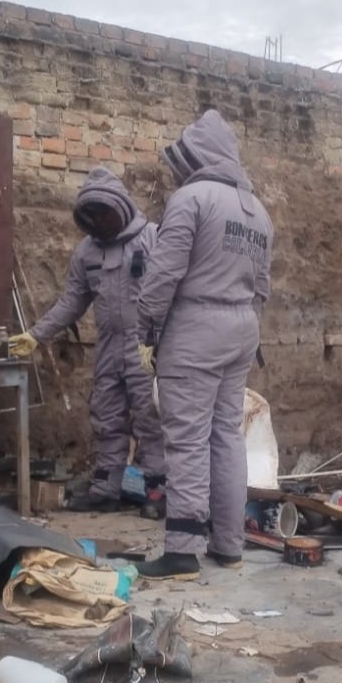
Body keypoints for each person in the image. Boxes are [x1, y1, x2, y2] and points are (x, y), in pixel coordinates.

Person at [134, 110, 273, 581]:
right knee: (226, 435)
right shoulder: (257, 211)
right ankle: (229, 546)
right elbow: (263, 286)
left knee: (187, 439)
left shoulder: (190, 199)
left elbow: (163, 274)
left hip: (195, 328)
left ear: (197, 156)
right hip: (242, 329)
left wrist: (147, 329)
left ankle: (182, 551)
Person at [9, 166, 168, 513]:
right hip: (108, 345)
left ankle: (159, 491)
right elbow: (72, 302)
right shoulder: (87, 252)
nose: (100, 221)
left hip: (145, 345)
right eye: (93, 215)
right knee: (106, 415)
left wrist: (162, 340)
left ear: (121, 207)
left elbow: (172, 290)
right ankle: (106, 489)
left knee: (150, 416)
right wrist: (36, 335)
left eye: (105, 213)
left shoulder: (152, 238)